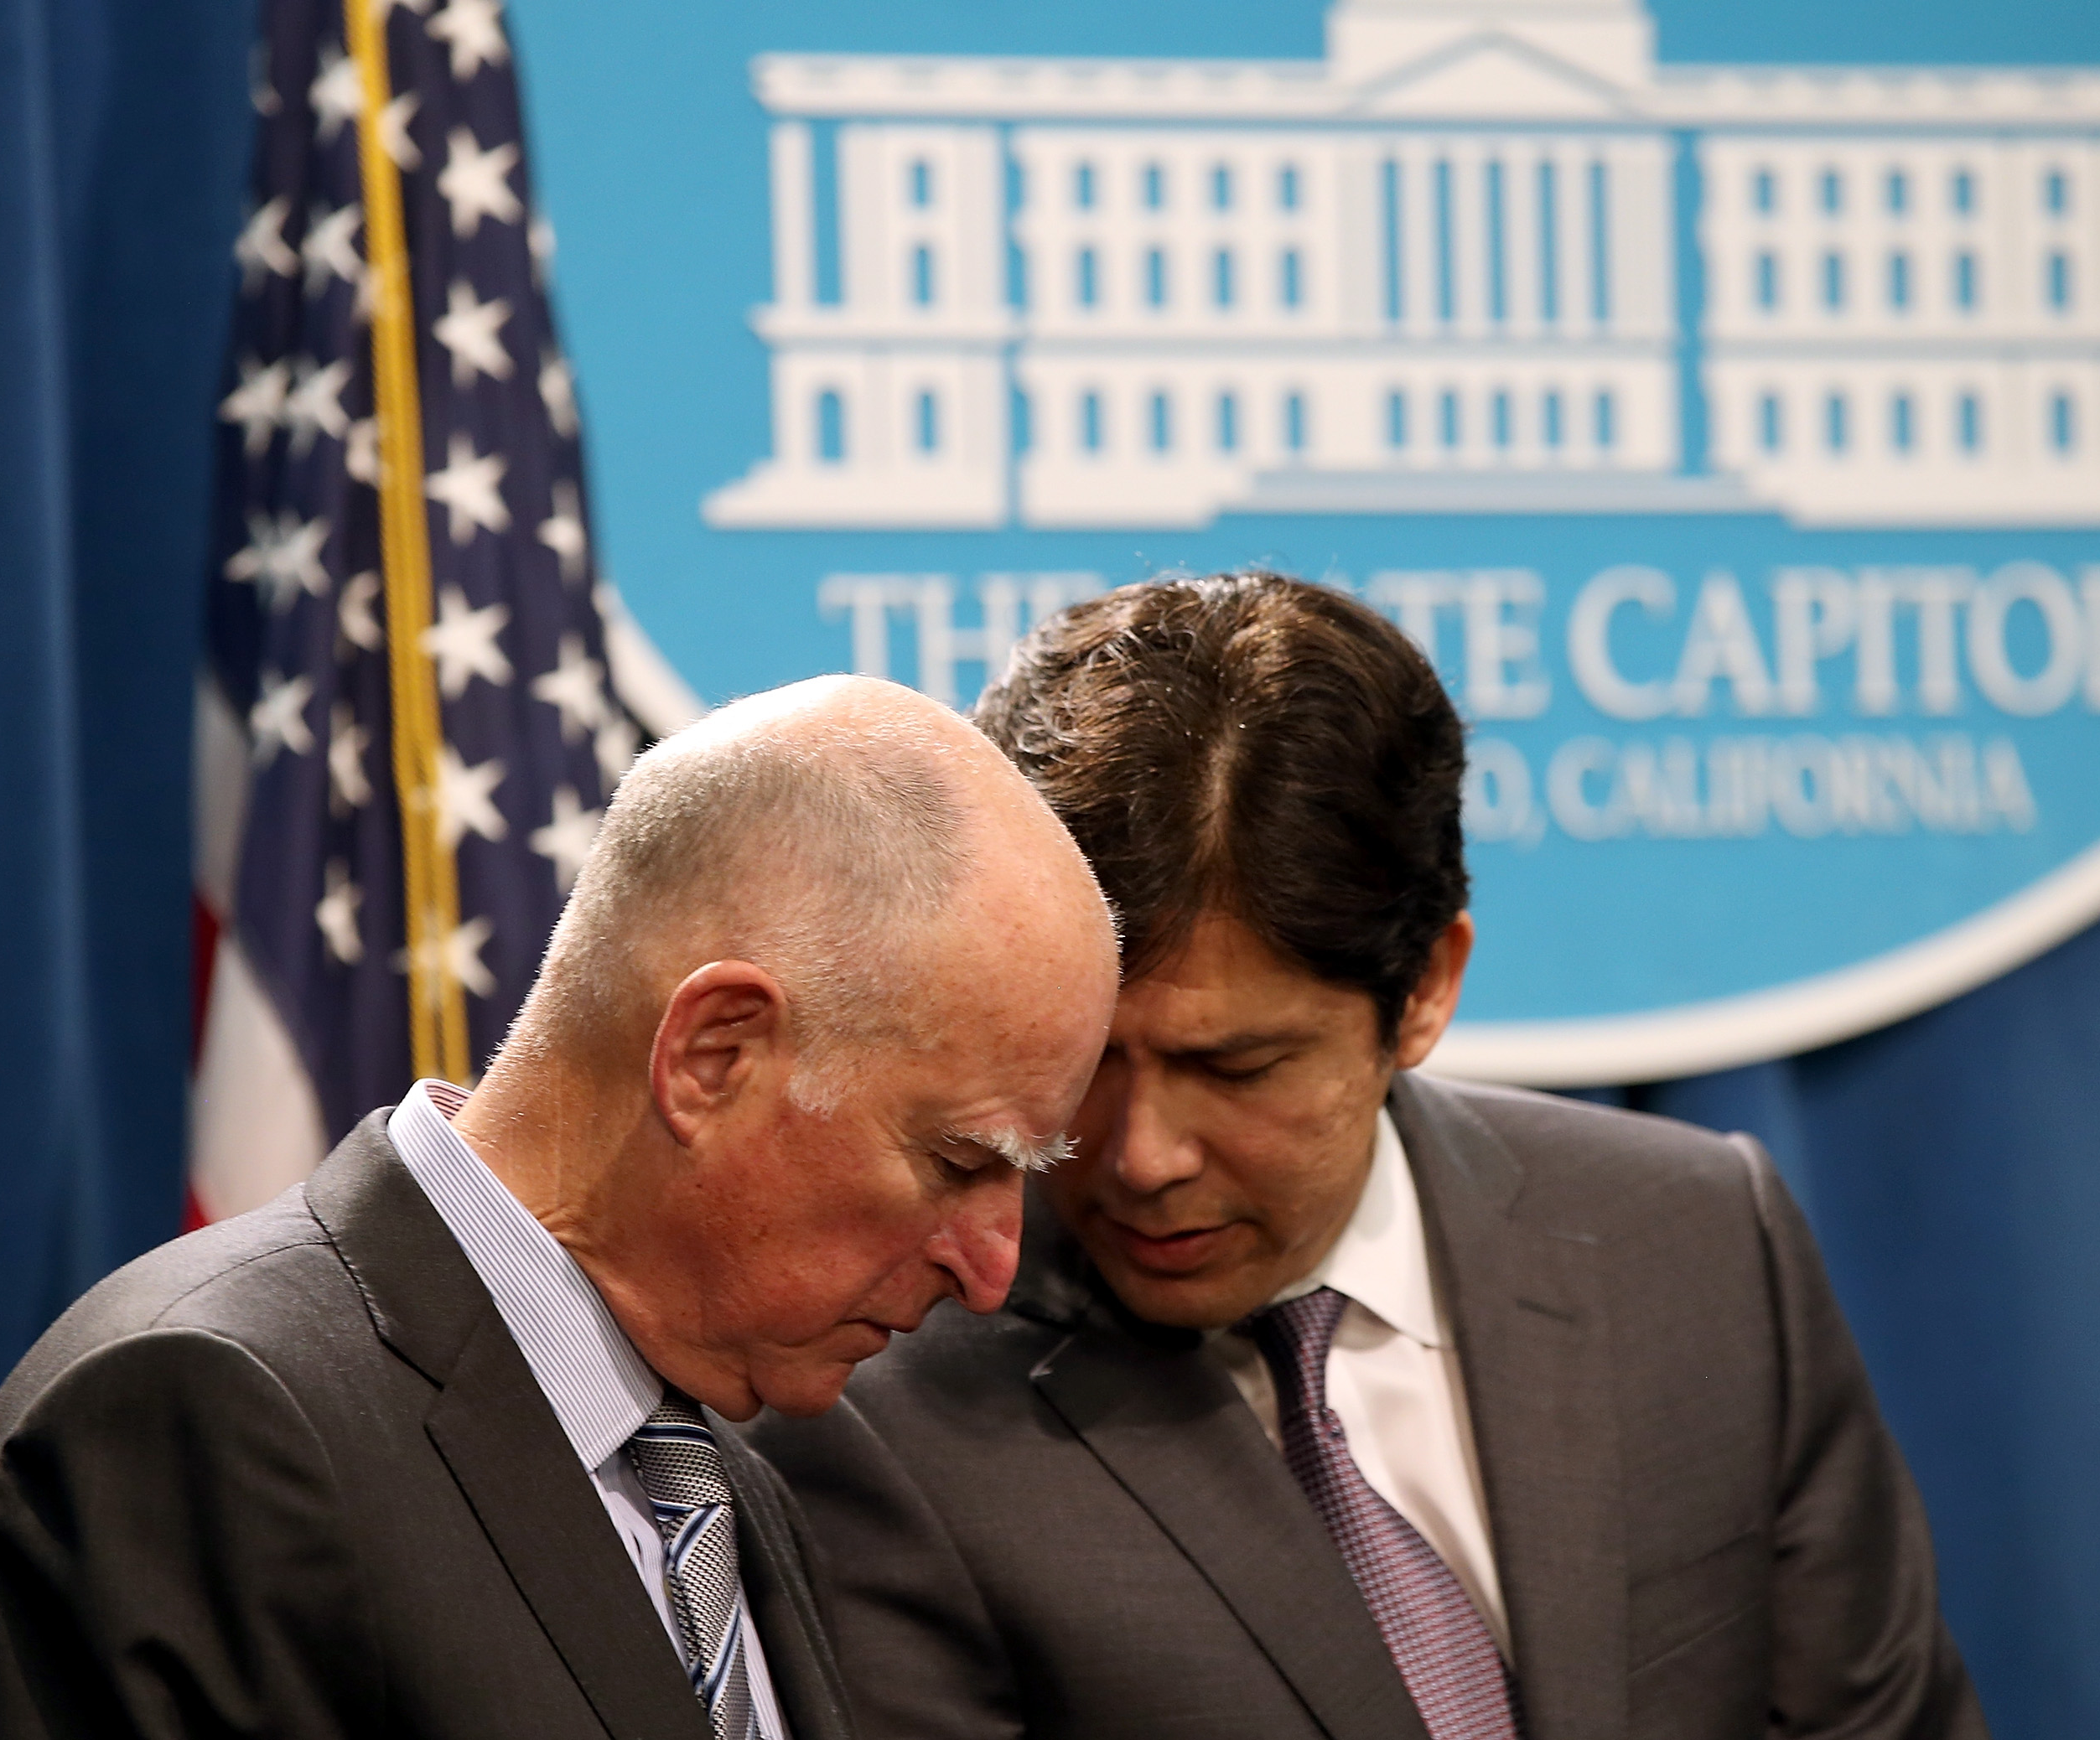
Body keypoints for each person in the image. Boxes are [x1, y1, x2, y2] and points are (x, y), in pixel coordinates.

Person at [756, 577, 1988, 1740]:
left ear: (1426, 992)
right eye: (1084, 1063)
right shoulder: (879, 1400)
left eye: (1238, 1069)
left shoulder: (1701, 1243)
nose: (1139, 1157)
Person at [0, 676, 1119, 1740]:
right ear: (714, 1056)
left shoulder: (721, 1485)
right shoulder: (204, 1418)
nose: (994, 1270)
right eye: (960, 1161)